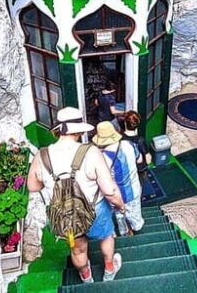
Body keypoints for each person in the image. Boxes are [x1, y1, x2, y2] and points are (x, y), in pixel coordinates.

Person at [27, 107, 125, 283]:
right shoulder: (91, 152)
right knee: (106, 236)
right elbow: (110, 191)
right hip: (96, 210)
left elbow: (32, 186)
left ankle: (86, 275)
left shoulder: (41, 155)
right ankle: (109, 269)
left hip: (65, 215)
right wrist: (120, 206)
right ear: (79, 130)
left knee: (78, 250)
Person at [92, 121, 144, 235]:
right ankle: (135, 231)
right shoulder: (129, 145)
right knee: (135, 216)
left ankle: (124, 232)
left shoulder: (102, 157)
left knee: (119, 215)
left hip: (117, 196)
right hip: (134, 190)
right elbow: (139, 160)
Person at [123, 111, 151, 186]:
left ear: (125, 123)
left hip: (126, 170)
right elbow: (148, 161)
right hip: (139, 171)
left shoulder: (121, 138)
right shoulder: (140, 140)